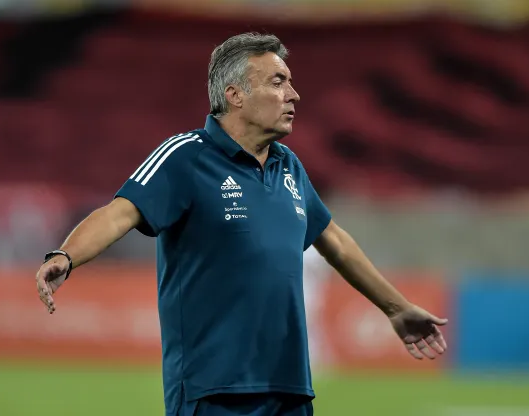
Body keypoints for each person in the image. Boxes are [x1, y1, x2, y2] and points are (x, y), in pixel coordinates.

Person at [35, 32, 448, 416]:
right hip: (213, 388)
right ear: (235, 95)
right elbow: (119, 212)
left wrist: (396, 308)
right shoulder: (186, 156)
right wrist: (66, 255)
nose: (294, 94)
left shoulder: (290, 166)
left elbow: (333, 241)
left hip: (289, 387)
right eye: (277, 82)